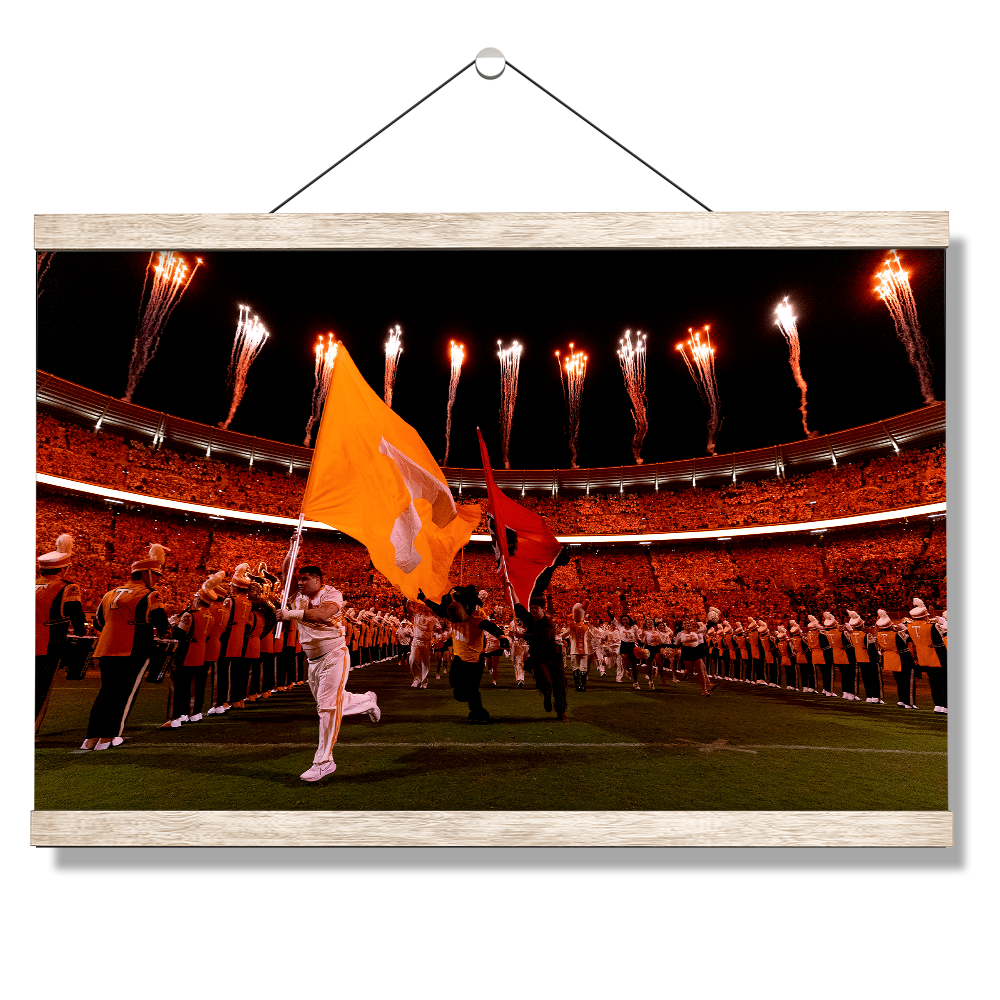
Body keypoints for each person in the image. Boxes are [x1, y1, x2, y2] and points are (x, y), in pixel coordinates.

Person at [276, 559, 380, 782]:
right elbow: (286, 576)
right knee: (332, 702)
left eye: (305, 579)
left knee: (327, 708)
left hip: (334, 654)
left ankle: (324, 762)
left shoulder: (332, 594)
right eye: (299, 579)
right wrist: (290, 551)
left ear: (318, 580)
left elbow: (322, 615)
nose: (301, 582)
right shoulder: (297, 595)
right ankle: (367, 700)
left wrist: (290, 615)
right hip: (313, 660)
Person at [81, 544, 171, 750]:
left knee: (105, 692)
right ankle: (109, 737)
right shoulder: (150, 594)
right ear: (146, 574)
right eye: (155, 575)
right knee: (123, 694)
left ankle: (90, 738)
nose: (157, 580)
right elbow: (162, 624)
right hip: (134, 649)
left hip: (106, 648)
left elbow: (97, 623)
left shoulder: (110, 593)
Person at [419, 585, 509, 724]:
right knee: (455, 684)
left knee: (472, 690)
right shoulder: (454, 617)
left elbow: (490, 627)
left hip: (474, 660)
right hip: (459, 657)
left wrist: (502, 637)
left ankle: (479, 713)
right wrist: (425, 599)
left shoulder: (476, 617)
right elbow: (439, 610)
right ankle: (473, 706)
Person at [35, 533, 86, 733]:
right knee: (40, 689)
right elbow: (77, 615)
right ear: (63, 569)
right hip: (47, 643)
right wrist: (80, 631)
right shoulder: (67, 587)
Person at [514, 595, 568, 720]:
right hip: (538, 657)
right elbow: (518, 608)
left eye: (536, 608)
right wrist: (512, 590)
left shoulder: (548, 622)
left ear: (543, 609)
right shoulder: (530, 619)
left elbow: (543, 638)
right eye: (531, 608)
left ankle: (560, 711)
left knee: (560, 685)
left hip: (554, 657)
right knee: (545, 680)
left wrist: (523, 635)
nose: (533, 610)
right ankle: (546, 693)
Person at [903, 598, 948, 713]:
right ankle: (945, 705)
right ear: (924, 615)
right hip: (938, 657)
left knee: (933, 682)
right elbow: (940, 643)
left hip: (924, 657)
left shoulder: (909, 627)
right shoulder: (932, 626)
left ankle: (937, 704)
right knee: (943, 682)